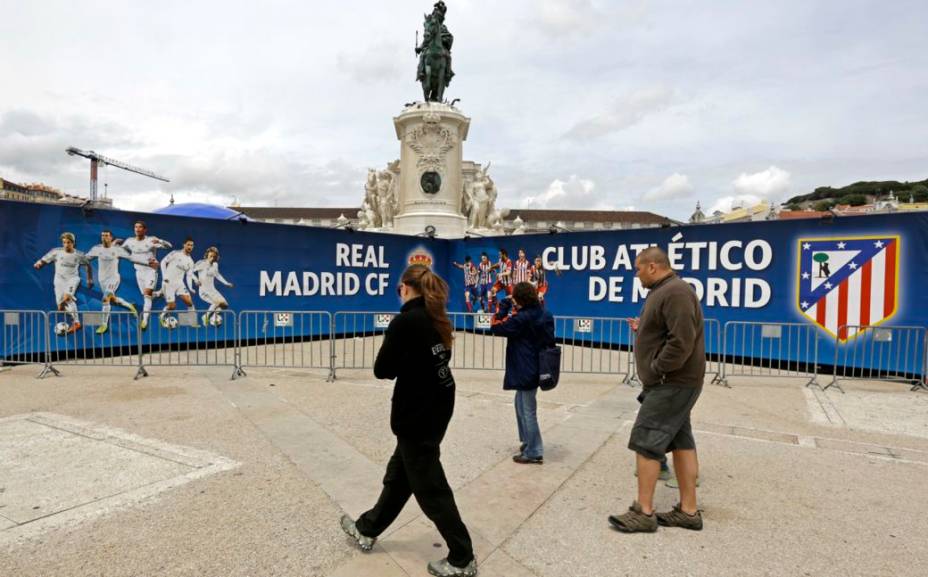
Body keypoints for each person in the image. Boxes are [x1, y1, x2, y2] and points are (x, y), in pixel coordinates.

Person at [340, 265, 477, 577]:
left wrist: (403, 358)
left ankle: (462, 557)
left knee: (431, 488)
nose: (398, 293)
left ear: (405, 288)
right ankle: (368, 527)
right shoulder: (436, 318)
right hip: (437, 406)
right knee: (401, 476)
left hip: (418, 414)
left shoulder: (405, 321)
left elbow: (382, 369)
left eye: (397, 288)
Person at [609, 247, 706, 533]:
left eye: (638, 269)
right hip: (676, 382)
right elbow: (667, 331)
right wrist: (646, 331)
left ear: (652, 266)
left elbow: (681, 341)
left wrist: (656, 368)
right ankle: (688, 512)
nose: (636, 275)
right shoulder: (667, 291)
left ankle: (644, 511)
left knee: (645, 441)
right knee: (681, 442)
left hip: (670, 383)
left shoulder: (675, 292)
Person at [490, 282, 554, 465]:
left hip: (524, 367)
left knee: (527, 410)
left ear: (519, 299)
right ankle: (528, 442)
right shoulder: (545, 314)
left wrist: (503, 306)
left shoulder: (521, 318)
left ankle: (534, 450)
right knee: (520, 405)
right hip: (539, 365)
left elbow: (496, 326)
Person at [85, 230, 157, 334]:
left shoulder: (117, 249)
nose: (104, 237)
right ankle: (129, 305)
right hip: (102, 280)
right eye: (102, 235)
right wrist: (89, 278)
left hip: (113, 278)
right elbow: (85, 260)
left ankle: (104, 324)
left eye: (106, 235)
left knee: (105, 299)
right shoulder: (96, 249)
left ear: (111, 237)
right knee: (112, 300)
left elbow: (132, 258)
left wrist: (146, 263)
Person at [34, 232, 92, 333]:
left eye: (68, 242)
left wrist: (89, 279)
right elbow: (44, 259)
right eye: (64, 242)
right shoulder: (56, 252)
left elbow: (88, 265)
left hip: (72, 278)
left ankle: (77, 322)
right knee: (61, 307)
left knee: (67, 297)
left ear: (73, 243)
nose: (66, 245)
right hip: (59, 280)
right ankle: (75, 318)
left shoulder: (79, 254)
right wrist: (39, 263)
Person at [120, 221, 172, 330]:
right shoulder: (129, 241)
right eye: (136, 227)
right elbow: (121, 251)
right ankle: (159, 294)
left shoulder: (151, 240)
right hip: (139, 272)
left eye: (140, 227)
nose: (137, 229)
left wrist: (160, 241)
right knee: (146, 295)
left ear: (145, 230)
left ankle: (144, 320)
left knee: (147, 294)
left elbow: (169, 246)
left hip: (151, 271)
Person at [156, 238, 199, 328]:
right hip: (168, 283)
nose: (190, 247)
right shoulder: (175, 253)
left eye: (191, 245)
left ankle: (192, 322)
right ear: (184, 245)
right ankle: (161, 316)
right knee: (172, 306)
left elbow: (189, 275)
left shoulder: (191, 261)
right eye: (188, 244)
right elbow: (163, 262)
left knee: (189, 302)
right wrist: (165, 276)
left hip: (179, 284)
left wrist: (190, 288)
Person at [193, 246, 234, 325]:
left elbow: (217, 275)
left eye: (214, 256)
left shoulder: (215, 265)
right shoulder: (201, 263)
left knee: (225, 305)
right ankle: (206, 317)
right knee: (217, 302)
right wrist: (195, 280)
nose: (212, 258)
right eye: (210, 256)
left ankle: (214, 316)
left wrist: (226, 283)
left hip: (212, 290)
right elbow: (190, 272)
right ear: (207, 255)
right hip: (204, 291)